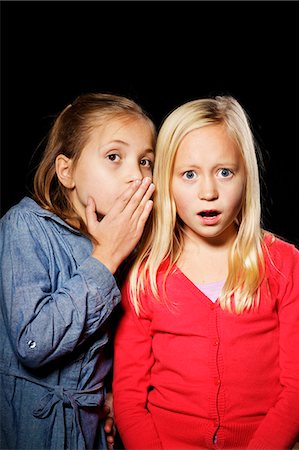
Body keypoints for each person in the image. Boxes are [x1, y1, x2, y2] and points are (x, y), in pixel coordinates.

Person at [112, 95, 299, 449]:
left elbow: (296, 390)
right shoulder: (147, 277)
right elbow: (129, 398)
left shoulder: (284, 265)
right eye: (189, 174)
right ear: (167, 181)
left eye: (224, 172)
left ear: (246, 176)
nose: (208, 192)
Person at [0, 92, 156, 450]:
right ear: (66, 171)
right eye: (114, 157)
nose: (136, 175)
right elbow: (33, 343)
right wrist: (105, 259)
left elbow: (117, 341)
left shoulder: (128, 243)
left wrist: (110, 394)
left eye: (146, 161)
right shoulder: (24, 226)